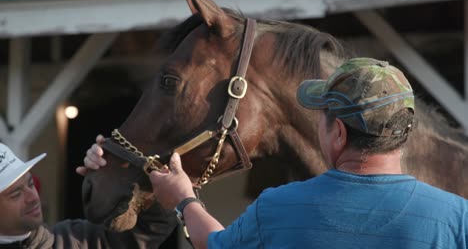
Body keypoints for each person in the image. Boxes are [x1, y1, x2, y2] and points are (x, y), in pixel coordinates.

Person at [124, 57, 466, 249]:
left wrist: (183, 198)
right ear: (404, 133)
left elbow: (212, 242)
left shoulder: (277, 209)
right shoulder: (456, 219)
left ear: (339, 132)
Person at [0, 142, 176, 248]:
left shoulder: (74, 241)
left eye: (30, 184)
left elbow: (153, 226)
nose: (32, 197)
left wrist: (116, 173)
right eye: (15, 194)